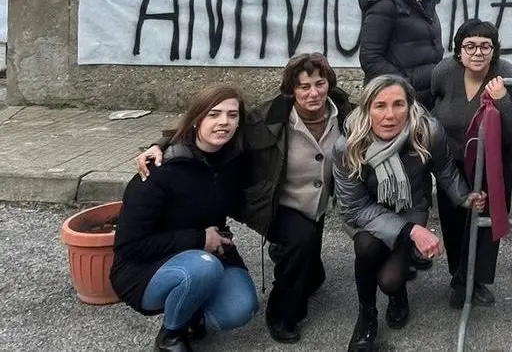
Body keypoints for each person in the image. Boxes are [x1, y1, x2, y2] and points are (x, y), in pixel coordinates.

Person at [134, 53, 353, 344]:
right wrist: (160, 144)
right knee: (300, 241)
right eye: (303, 87)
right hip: (275, 203)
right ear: (291, 90)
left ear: (329, 84)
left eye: (319, 83)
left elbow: (377, 123)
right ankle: (281, 314)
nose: (313, 93)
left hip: (317, 201)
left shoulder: (347, 114)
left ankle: (291, 257)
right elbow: (212, 131)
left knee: (312, 275)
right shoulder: (267, 118)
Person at [334, 75, 487, 352]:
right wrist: (413, 232)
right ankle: (366, 314)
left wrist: (464, 197)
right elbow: (353, 207)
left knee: (390, 280)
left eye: (398, 105)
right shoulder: (349, 144)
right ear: (367, 108)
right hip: (366, 212)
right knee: (367, 246)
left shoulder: (426, 131)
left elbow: (444, 169)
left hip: (410, 207)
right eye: (380, 106)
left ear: (410, 105)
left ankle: (397, 295)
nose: (390, 115)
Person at [111, 85, 258, 352]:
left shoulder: (232, 159)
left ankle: (192, 314)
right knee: (204, 267)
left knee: (241, 308)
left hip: (208, 250)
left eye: (232, 115)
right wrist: (200, 239)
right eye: (214, 114)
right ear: (197, 119)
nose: (224, 121)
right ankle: (171, 334)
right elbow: (128, 246)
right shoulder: (158, 171)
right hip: (145, 269)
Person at [430, 19, 512, 307]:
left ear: (494, 51)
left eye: (485, 46)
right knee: (454, 220)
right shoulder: (444, 72)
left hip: (493, 160)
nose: (477, 52)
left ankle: (474, 281)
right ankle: (459, 276)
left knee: (486, 223)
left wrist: (504, 99)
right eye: (470, 46)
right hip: (451, 161)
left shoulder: (506, 73)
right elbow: (431, 105)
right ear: (458, 51)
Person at [358, 0, 445, 110]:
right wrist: (404, 86)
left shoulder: (423, 2)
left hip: (426, 98)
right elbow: (370, 58)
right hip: (399, 101)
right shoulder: (384, 6)